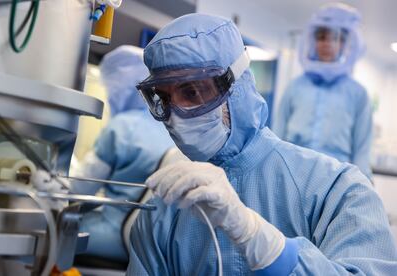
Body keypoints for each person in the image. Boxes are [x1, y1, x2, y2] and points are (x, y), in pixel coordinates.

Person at [126, 14, 397, 275]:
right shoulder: (161, 212)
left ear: (236, 86)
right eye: (163, 97)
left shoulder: (337, 189)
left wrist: (269, 247)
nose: (176, 113)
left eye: (192, 91)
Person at [69, 45, 174, 262]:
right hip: (152, 245)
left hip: (112, 236)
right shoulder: (173, 130)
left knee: (48, 231)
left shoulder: (122, 127)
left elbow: (78, 190)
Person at [273, 3, 373, 179]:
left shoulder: (358, 94)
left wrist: (363, 183)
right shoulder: (295, 86)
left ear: (345, 44)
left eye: (335, 38)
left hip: (336, 178)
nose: (327, 43)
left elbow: (362, 148)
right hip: (291, 173)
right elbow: (277, 135)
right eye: (321, 37)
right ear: (313, 41)